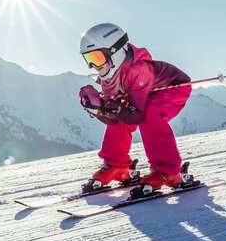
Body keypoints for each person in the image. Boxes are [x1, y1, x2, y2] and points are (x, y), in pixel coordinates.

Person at [77, 23, 192, 196]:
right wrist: (97, 109)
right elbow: (114, 118)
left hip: (171, 88)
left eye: (97, 57)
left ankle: (168, 171)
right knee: (121, 115)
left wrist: (106, 107)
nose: (93, 65)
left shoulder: (139, 69)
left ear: (115, 52)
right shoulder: (108, 78)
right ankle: (116, 166)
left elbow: (136, 116)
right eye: (89, 59)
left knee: (150, 115)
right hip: (142, 93)